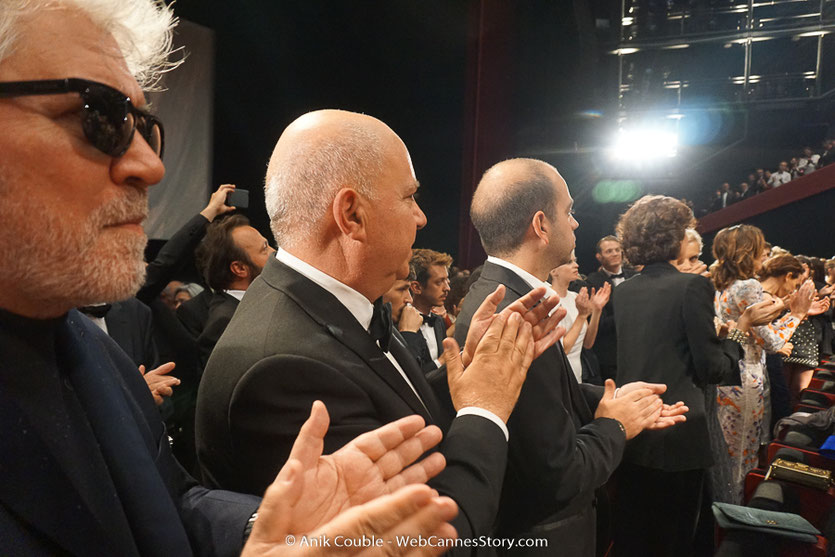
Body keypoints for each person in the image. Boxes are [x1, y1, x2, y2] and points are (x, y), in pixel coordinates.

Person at [0, 1, 464, 554]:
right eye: (99, 117)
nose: (150, 166)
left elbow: (170, 503)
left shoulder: (93, 354)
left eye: (143, 126)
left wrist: (273, 527)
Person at [196, 109, 564, 543]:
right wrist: (485, 406)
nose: (422, 217)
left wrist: (466, 371)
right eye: (409, 197)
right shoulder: (280, 368)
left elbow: (392, 410)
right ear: (351, 215)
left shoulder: (329, 306)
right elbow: (423, 541)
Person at [456, 159, 688, 556]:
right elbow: (557, 473)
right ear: (542, 225)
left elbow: (541, 399)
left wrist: (605, 399)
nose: (576, 223)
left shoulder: (505, 294)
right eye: (570, 211)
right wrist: (616, 425)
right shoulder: (507, 311)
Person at [611, 196, 785, 555]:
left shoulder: (625, 291)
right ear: (674, 237)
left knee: (638, 534)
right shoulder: (691, 287)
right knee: (678, 538)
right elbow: (713, 369)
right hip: (680, 434)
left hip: (635, 429)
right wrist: (739, 331)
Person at [194, 213, 274, 365]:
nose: (274, 252)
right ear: (239, 268)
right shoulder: (224, 323)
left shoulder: (265, 300)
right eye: (264, 249)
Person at [548, 252, 611, 382]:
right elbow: (563, 349)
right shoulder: (549, 301)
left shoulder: (574, 297)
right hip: (560, 377)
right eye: (569, 262)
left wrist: (596, 311)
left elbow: (587, 343)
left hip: (578, 377)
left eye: (575, 261)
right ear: (554, 271)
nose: (576, 265)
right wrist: (582, 316)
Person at [586, 236, 638, 381]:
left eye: (617, 250)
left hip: (639, 349)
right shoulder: (593, 281)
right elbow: (599, 325)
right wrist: (627, 314)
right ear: (599, 256)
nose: (615, 253)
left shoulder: (636, 276)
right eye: (609, 251)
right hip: (611, 355)